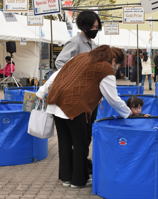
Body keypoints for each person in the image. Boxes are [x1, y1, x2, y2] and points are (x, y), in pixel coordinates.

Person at [36, 45, 131, 188]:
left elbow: (57, 74)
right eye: (117, 64)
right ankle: (78, 180)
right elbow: (113, 98)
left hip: (56, 104)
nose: (116, 67)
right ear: (113, 59)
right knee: (81, 144)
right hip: (75, 108)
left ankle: (65, 177)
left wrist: (41, 91)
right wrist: (128, 113)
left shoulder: (80, 57)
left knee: (65, 143)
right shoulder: (105, 68)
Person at [54, 10, 101, 175]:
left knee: (86, 137)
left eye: (98, 26)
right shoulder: (75, 42)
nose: (96, 29)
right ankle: (76, 172)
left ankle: (79, 168)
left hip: (90, 99)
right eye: (94, 26)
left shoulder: (92, 45)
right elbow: (59, 61)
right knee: (78, 139)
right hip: (77, 99)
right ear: (86, 26)